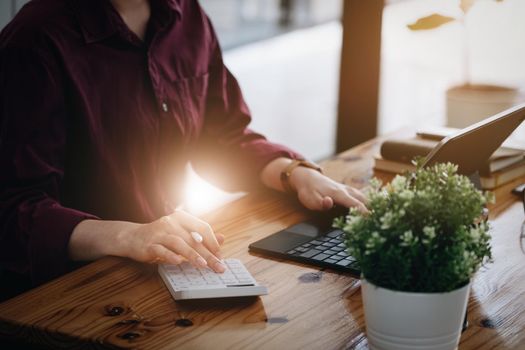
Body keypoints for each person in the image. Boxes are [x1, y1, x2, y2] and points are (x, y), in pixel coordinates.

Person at [0, 0, 367, 295]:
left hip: (167, 269)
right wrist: (129, 235)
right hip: (65, 294)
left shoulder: (187, 15)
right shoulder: (35, 40)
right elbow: (13, 211)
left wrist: (293, 173)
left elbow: (222, 138)